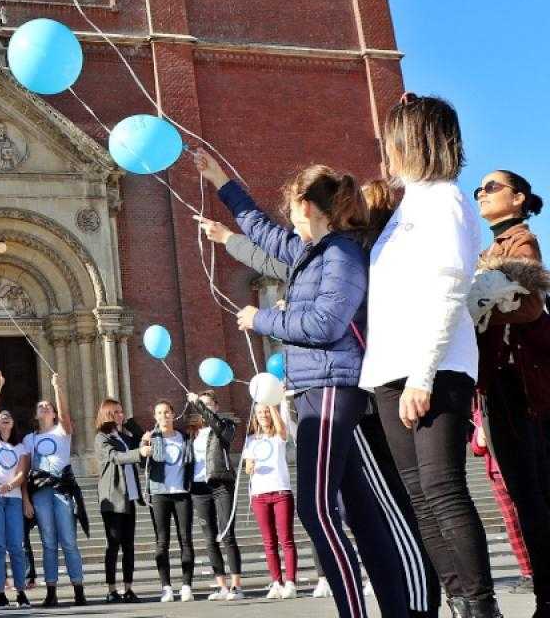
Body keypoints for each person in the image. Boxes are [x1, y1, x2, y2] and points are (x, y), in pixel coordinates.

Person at [200, 182, 442, 618]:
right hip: (313, 388)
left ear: (308, 206)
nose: (286, 217)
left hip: (334, 386)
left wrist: (262, 318)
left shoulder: (341, 254)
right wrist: (224, 189)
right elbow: (265, 237)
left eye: (291, 206)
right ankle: (395, 609)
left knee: (318, 509)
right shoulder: (313, 254)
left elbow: (326, 324)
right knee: (358, 513)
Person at [360, 94, 499, 618]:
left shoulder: (444, 200)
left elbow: (447, 288)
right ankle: (458, 600)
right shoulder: (408, 206)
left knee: (442, 489)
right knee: (419, 496)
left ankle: (482, 608)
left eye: (392, 140)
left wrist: (421, 377)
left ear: (414, 142)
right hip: (391, 370)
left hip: (433, 368)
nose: (385, 152)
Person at [473, 168, 548, 616]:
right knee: (528, 495)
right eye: (479, 189)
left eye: (492, 187)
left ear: (518, 198)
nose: (482, 194)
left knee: (531, 495)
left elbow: (531, 304)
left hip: (516, 381)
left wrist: (480, 302)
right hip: (501, 381)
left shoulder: (519, 242)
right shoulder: (490, 247)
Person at [22, 372, 86, 608]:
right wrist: (26, 500)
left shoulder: (62, 431)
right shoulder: (30, 439)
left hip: (62, 489)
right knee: (48, 542)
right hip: (40, 493)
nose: (45, 408)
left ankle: (78, 588)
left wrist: (58, 388)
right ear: (36, 415)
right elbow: (25, 471)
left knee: (69, 540)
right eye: (41, 406)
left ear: (54, 413)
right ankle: (51, 591)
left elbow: (66, 416)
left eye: (49, 406)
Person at [185, 390, 244, 600]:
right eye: (203, 404)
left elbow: (218, 428)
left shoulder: (226, 425)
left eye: (209, 404)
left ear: (216, 406)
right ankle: (222, 586)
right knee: (210, 539)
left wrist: (198, 404)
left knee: (227, 535)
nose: (206, 407)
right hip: (200, 488)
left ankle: (236, 586)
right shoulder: (194, 433)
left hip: (221, 483)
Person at [469, 405, 533, 593]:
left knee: (528, 519)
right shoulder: (477, 409)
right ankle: (527, 572)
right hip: (496, 472)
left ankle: (537, 569)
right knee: (512, 524)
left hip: (515, 464)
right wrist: (479, 440)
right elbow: (477, 447)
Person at [0, 369, 30, 608]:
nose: (4, 418)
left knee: (16, 547)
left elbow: (23, 473)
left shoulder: (20, 448)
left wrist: (11, 485)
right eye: (2, 417)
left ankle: (21, 591)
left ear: (13, 422)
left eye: (8, 416)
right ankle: (1, 592)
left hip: (12, 498)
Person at [93, 398, 150, 604]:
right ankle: (111, 589)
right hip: (113, 498)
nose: (120, 414)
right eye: (116, 412)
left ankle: (128, 588)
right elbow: (115, 457)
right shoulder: (102, 438)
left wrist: (130, 425)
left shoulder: (124, 436)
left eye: (121, 411)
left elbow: (141, 441)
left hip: (129, 496)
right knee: (113, 544)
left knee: (129, 545)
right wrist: (138, 452)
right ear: (107, 414)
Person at [245, 402, 297, 599]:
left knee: (286, 540)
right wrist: (250, 466)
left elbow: (282, 428)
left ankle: (290, 582)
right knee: (269, 542)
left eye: (266, 411)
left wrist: (272, 402)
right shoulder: (250, 440)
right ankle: (276, 582)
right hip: (259, 495)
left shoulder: (278, 436)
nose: (263, 415)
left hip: (281, 492)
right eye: (259, 412)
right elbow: (248, 469)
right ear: (255, 416)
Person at [144, 400, 195, 602]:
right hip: (160, 493)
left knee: (186, 539)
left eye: (167, 412)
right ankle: (166, 587)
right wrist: (143, 445)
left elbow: (191, 461)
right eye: (159, 413)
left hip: (182, 492)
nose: (163, 416)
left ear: (173, 415)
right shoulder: (152, 437)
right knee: (162, 542)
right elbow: (143, 463)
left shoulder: (184, 437)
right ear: (155, 417)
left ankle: (186, 586)